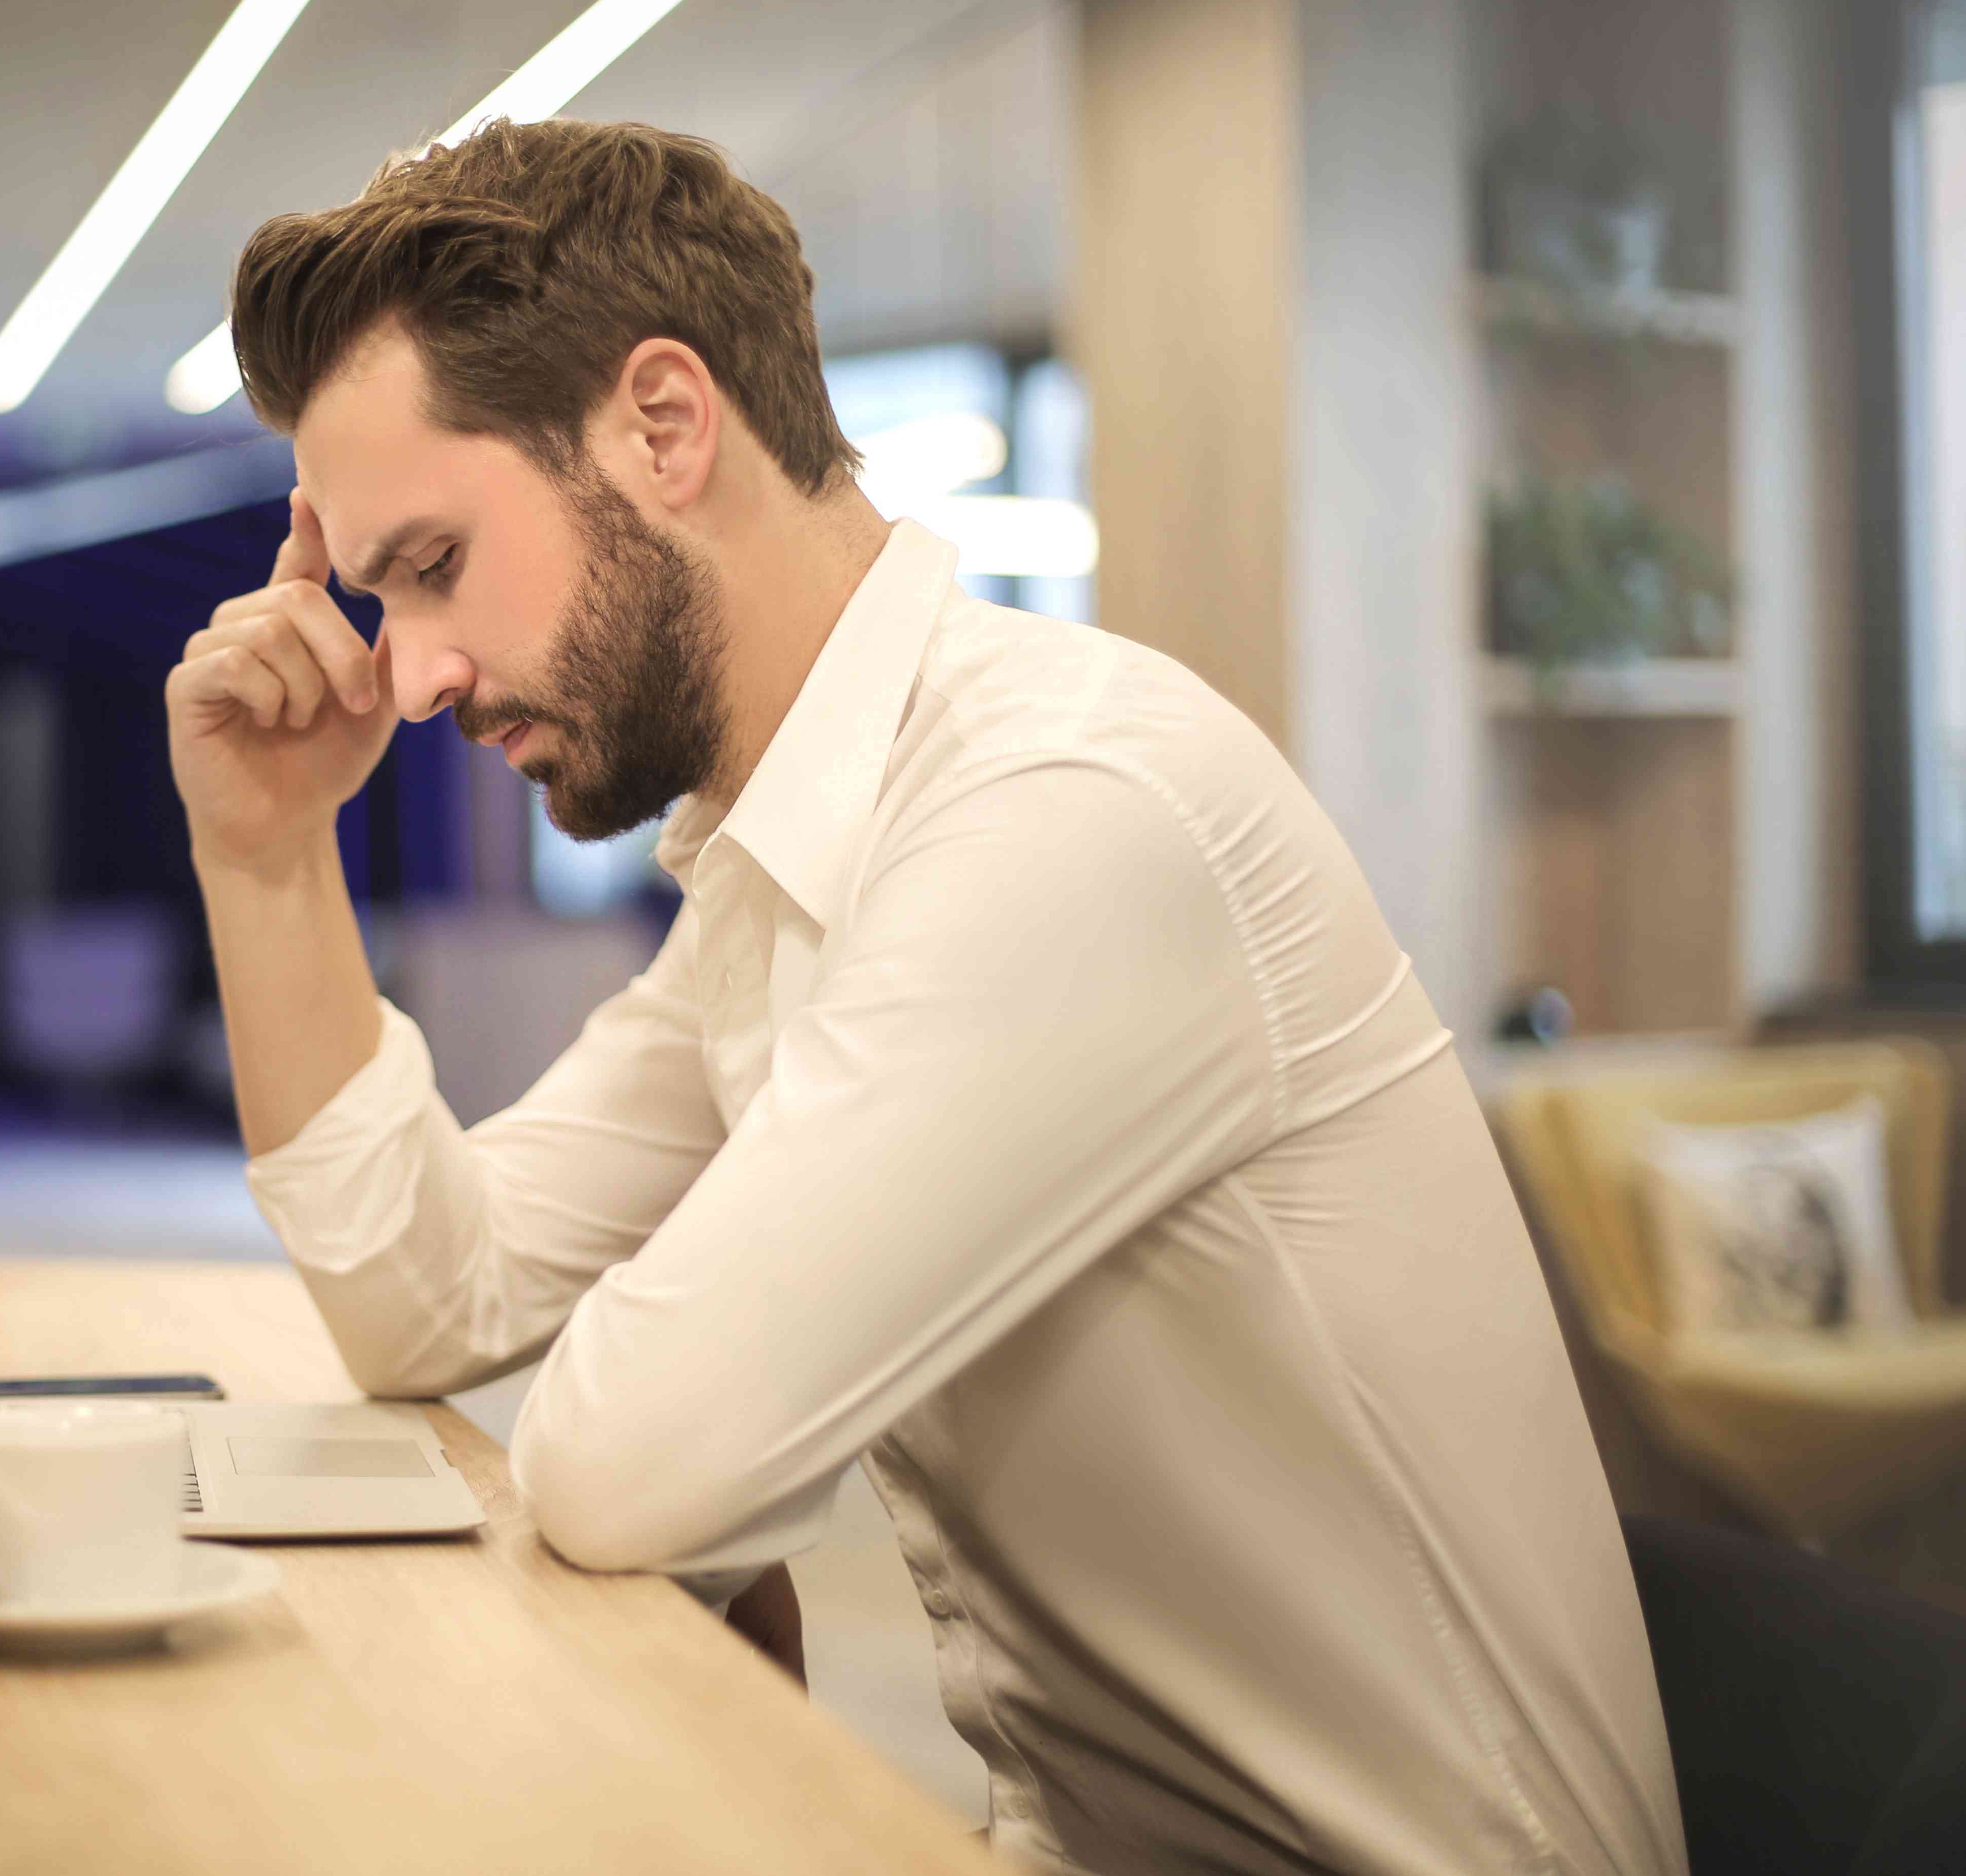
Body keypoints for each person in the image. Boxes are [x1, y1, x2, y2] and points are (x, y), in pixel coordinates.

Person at [162, 117, 1684, 1876]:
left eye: (432, 565)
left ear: (662, 426)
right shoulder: (780, 858)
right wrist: (266, 860)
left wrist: (701, 1432)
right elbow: (429, 1300)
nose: (407, 671)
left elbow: (628, 1462)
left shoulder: (1063, 809)